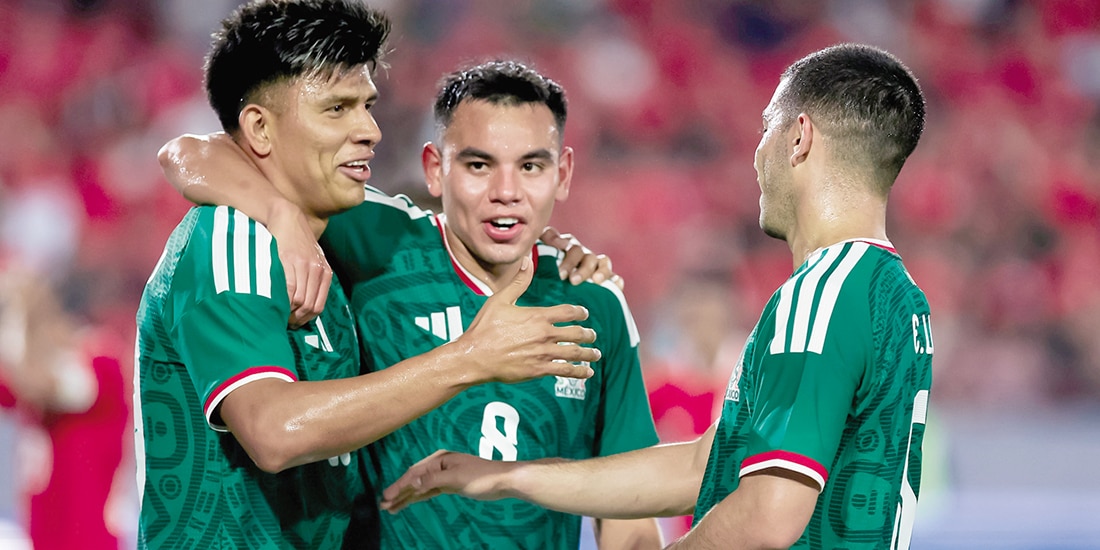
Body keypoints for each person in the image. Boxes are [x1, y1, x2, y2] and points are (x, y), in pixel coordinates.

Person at [380, 42, 935, 550]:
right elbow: (705, 466)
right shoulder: (897, 297)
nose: (757, 152)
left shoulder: (820, 297)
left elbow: (768, 516)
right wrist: (510, 477)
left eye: (768, 127)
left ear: (799, 138)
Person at [135, 2, 602, 548]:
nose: (370, 130)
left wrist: (538, 236)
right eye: (337, 109)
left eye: (367, 106)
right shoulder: (231, 239)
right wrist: (469, 359)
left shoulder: (332, 237)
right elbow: (274, 432)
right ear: (260, 126)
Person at [0, 269, 128, 550]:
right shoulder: (29, 372)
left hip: (89, 532)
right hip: (45, 528)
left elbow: (64, 389)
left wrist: (20, 326)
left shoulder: (99, 359)